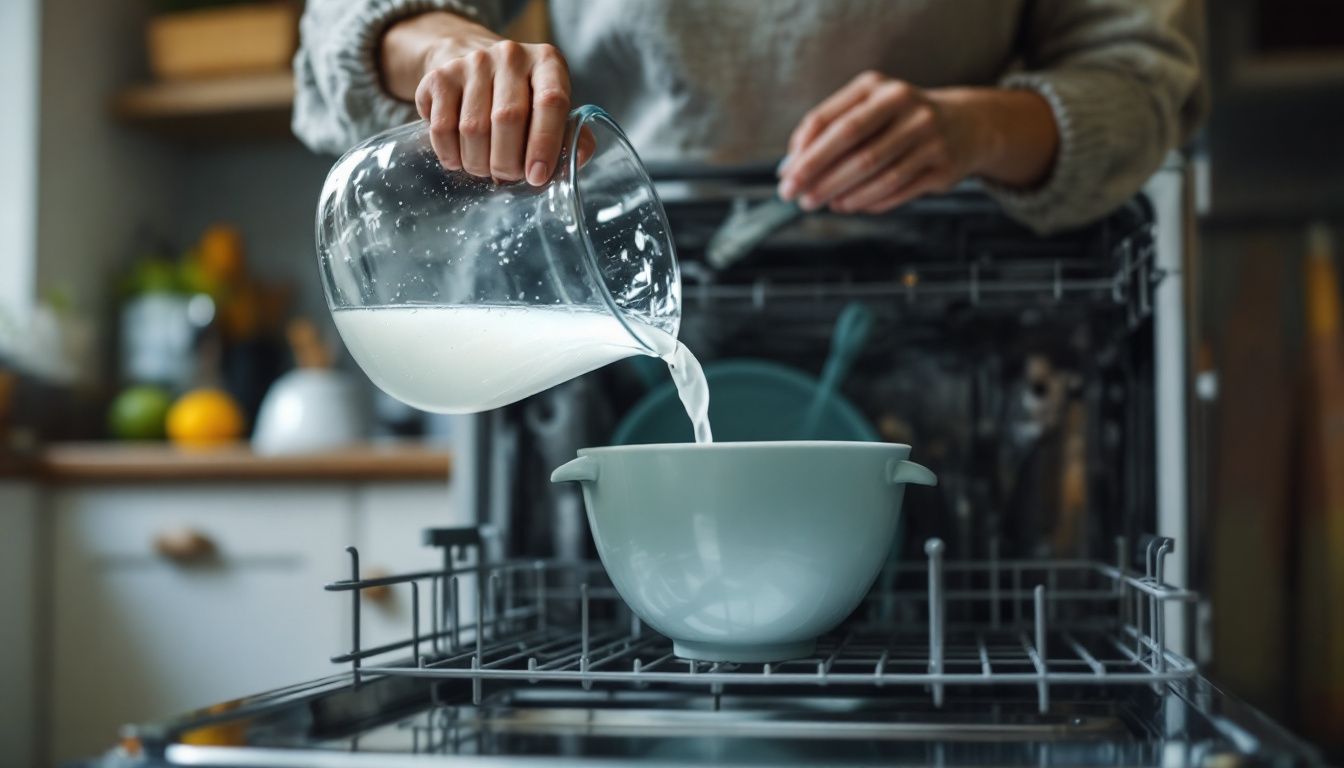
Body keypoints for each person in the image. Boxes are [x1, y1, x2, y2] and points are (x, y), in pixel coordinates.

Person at [293, 0, 1204, 234]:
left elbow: (1142, 86)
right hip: (601, 338)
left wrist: (978, 128)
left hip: (964, 344)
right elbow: (341, 24)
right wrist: (445, 49)